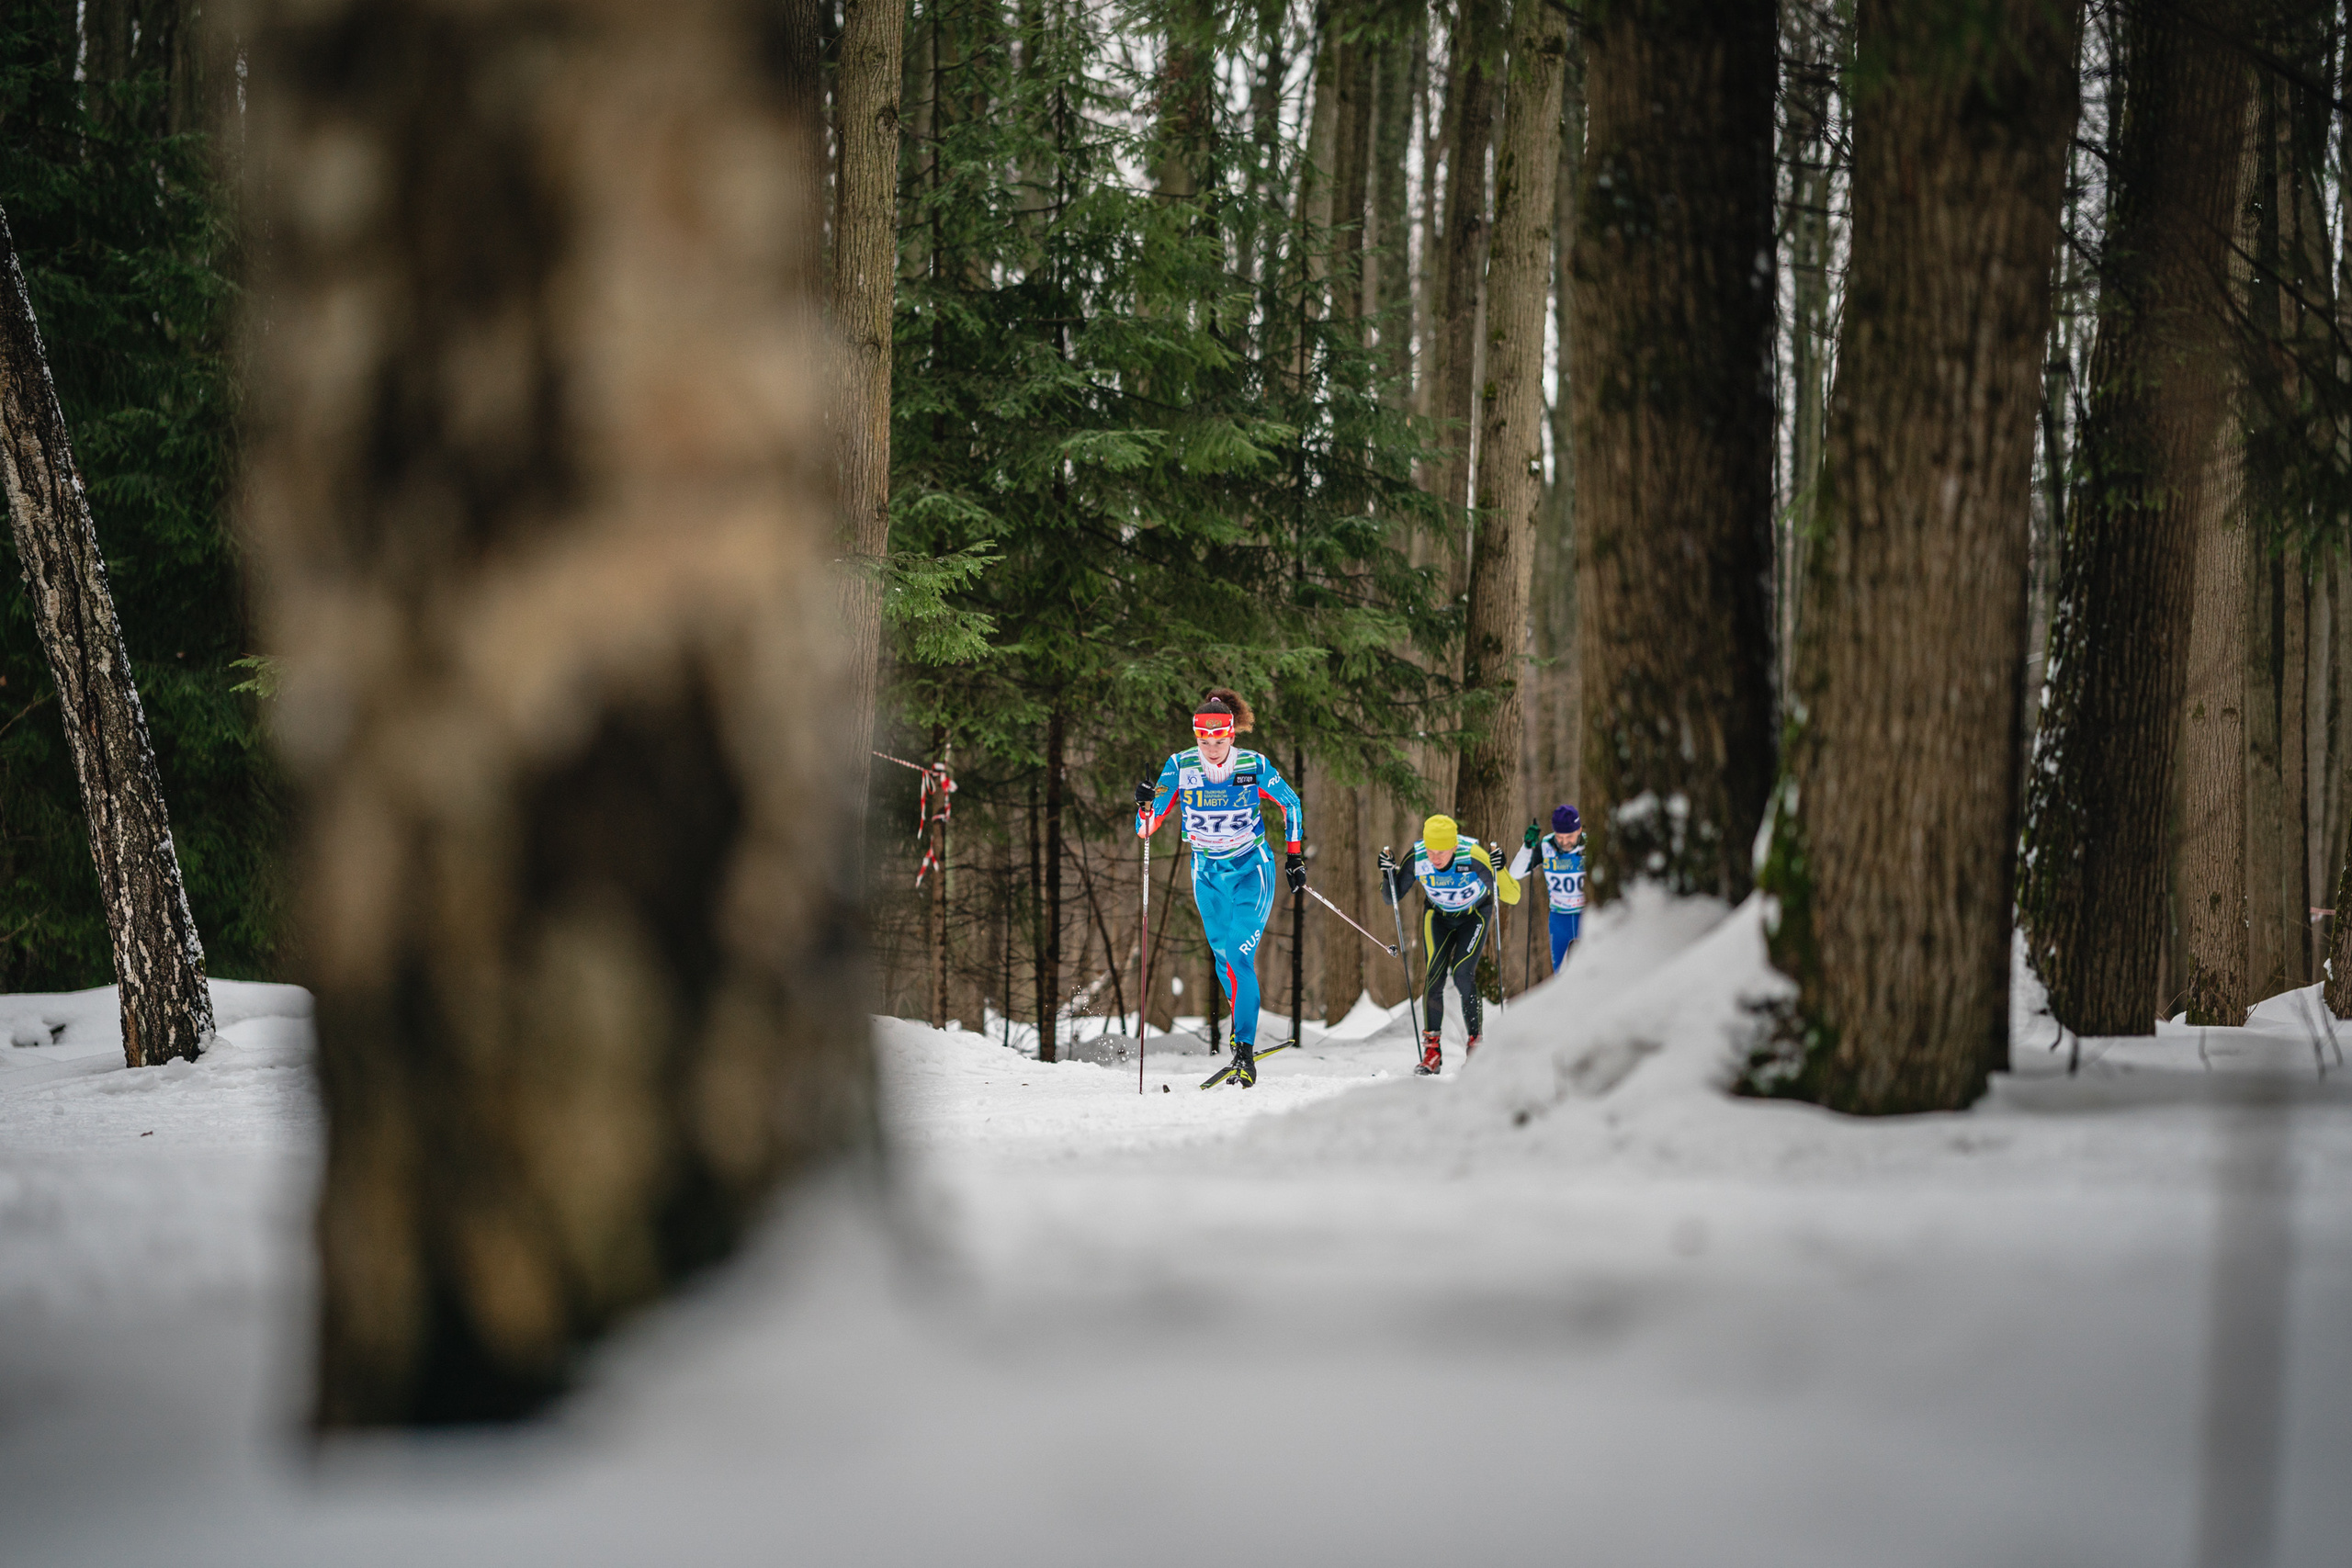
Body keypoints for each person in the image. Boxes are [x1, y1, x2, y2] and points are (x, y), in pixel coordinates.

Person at [1134, 688, 1306, 1088]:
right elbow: (1146, 826)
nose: (1212, 748)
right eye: (1204, 740)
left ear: (1232, 735)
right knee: (1222, 959)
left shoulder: (1253, 765)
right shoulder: (1179, 767)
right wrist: (1142, 803)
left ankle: (1243, 1053)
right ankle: (1240, 1036)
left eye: (1220, 739)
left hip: (1251, 870)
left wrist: (1294, 856)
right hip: (1206, 874)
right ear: (1197, 738)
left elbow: (1291, 803)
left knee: (1239, 956)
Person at [1379, 814, 1518, 1077]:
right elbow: (1391, 898)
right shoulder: (1418, 857)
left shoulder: (1473, 856)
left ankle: (1476, 1045)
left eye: (1441, 852)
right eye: (1431, 851)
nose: (1435, 858)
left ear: (1454, 847)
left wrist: (1499, 869)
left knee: (1463, 974)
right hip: (1438, 917)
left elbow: (1512, 895)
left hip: (1474, 915)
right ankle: (1432, 1053)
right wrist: (1388, 873)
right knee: (1433, 978)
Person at [1509, 804, 1587, 974]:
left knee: (1589, 972)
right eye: (1560, 837)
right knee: (1560, 974)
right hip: (1559, 919)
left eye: (1570, 836)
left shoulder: (1588, 846)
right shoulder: (1547, 845)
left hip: (1585, 916)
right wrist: (1527, 848)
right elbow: (1514, 873)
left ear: (1579, 830)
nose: (1564, 842)